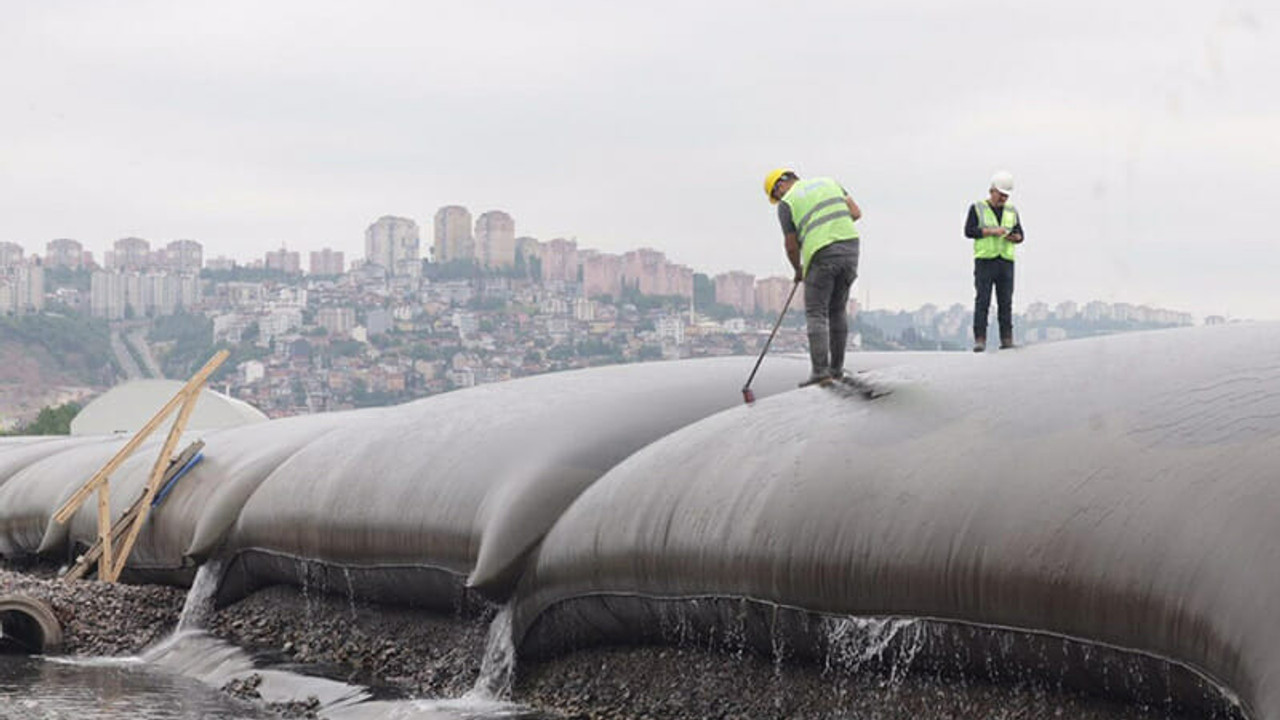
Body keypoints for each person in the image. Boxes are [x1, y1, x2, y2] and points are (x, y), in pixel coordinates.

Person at [763, 168, 862, 385]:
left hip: (821, 252)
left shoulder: (787, 203)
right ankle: (836, 370)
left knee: (816, 312)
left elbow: (790, 245)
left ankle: (820, 373)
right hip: (850, 247)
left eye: (776, 194)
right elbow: (855, 213)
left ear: (780, 186)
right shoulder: (830, 181)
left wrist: (797, 269)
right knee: (837, 309)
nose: (778, 198)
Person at [966, 170, 1024, 352]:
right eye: (1001, 195)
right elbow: (969, 231)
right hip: (985, 260)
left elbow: (1021, 235)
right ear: (992, 191)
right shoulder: (977, 208)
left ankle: (1007, 339)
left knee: (1005, 302)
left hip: (1005, 261)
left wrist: (1014, 238)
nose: (1003, 199)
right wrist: (991, 231)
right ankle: (980, 339)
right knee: (983, 301)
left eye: (1006, 196)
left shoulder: (1011, 211)